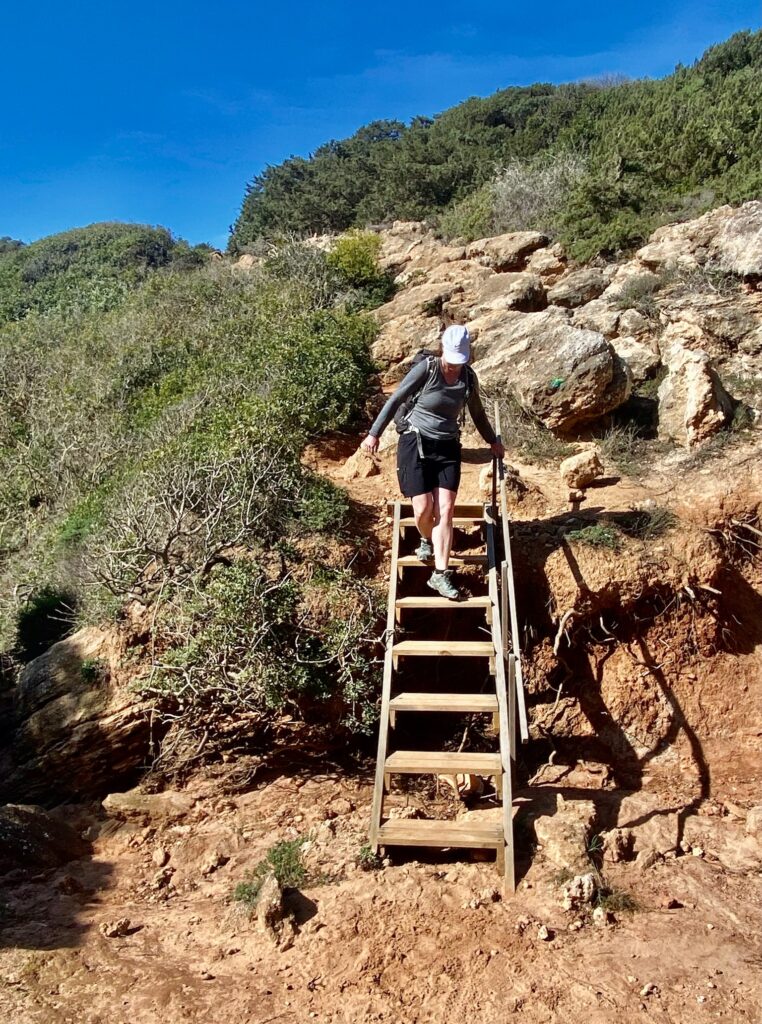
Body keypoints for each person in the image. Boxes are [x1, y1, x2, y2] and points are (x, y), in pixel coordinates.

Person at [361, 324, 504, 600]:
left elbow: (477, 413)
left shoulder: (468, 378)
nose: (454, 367)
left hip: (448, 446)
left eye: (459, 361)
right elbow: (396, 399)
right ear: (443, 352)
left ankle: (440, 573)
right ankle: (425, 538)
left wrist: (492, 441)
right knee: (424, 510)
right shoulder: (427, 369)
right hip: (415, 442)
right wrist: (374, 433)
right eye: (451, 361)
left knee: (446, 510)